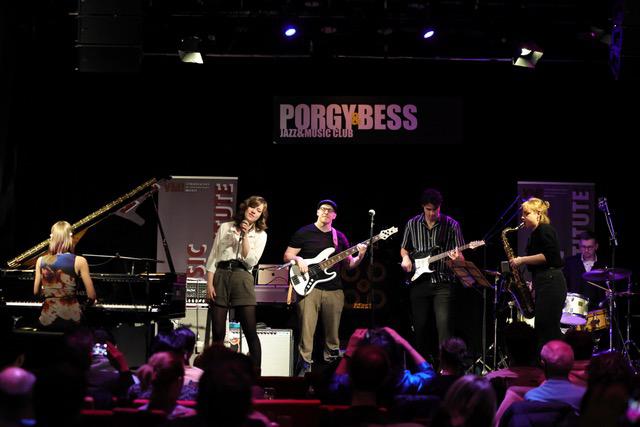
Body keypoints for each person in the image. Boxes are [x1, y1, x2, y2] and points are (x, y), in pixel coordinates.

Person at [283, 199, 367, 375]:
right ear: (317, 212)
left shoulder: (339, 237)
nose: (326, 212)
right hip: (309, 289)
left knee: (333, 334)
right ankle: (304, 367)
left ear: (334, 216)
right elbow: (288, 255)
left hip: (334, 290)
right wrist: (298, 259)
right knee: (306, 332)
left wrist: (360, 255)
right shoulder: (304, 232)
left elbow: (349, 265)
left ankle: (332, 369)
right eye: (323, 209)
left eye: (330, 210)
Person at [204, 195, 268, 371]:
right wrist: (209, 283)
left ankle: (256, 374)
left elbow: (252, 261)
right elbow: (213, 255)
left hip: (242, 276)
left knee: (250, 330)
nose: (254, 211)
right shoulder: (226, 226)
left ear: (261, 215)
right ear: (246, 207)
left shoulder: (261, 235)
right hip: (221, 275)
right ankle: (215, 372)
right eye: (252, 207)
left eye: (259, 211)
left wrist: (245, 235)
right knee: (218, 331)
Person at [400, 188, 465, 358]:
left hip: (443, 282)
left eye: (435, 210)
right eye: (428, 209)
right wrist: (405, 258)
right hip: (419, 282)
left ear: (440, 207)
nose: (431, 213)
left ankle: (446, 366)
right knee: (419, 328)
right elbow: (404, 248)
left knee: (444, 329)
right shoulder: (412, 223)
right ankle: (421, 365)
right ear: (423, 207)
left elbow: (461, 257)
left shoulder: (452, 225)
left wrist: (457, 259)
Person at [509, 197, 567, 347]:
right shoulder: (535, 233)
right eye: (523, 213)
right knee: (543, 328)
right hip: (545, 282)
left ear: (538, 214)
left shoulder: (545, 229)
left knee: (548, 329)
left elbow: (549, 256)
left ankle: (558, 358)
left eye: (527, 213)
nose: (522, 217)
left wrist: (522, 260)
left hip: (551, 282)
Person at [33, 220, 96, 330]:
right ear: (70, 238)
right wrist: (83, 306)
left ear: (52, 238)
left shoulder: (40, 260)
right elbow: (91, 296)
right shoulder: (80, 261)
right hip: (73, 320)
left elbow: (36, 292)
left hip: (47, 320)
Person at [563, 230, 606, 310]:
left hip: (597, 310)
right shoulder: (570, 263)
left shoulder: (604, 265)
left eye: (590, 247)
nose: (586, 250)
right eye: (583, 247)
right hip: (574, 309)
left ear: (596, 246)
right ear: (579, 246)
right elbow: (563, 286)